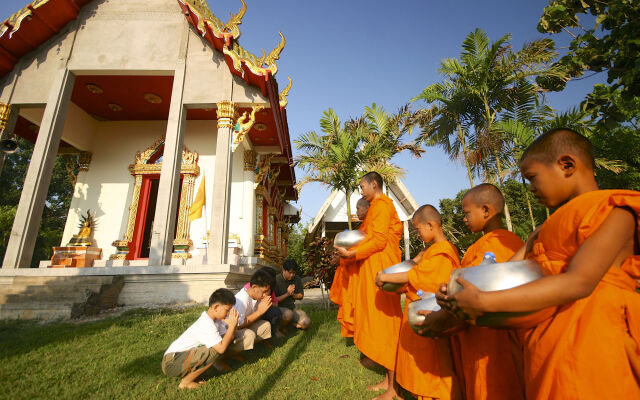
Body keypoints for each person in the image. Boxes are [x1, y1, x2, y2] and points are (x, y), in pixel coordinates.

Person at [445, 128, 640, 400]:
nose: (531, 188)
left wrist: (485, 303)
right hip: (544, 346)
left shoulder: (615, 211)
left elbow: (580, 281)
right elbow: (508, 273)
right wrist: (461, 291)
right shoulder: (545, 228)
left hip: (593, 344)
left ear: (567, 165)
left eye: (532, 178)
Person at [376, 205, 463, 400]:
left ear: (431, 225)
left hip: (432, 317)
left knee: (434, 369)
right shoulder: (432, 251)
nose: (417, 233)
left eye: (418, 229)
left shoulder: (443, 252)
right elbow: (415, 271)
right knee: (420, 365)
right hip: (419, 314)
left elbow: (418, 276)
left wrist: (384, 276)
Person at [448, 183, 524, 400]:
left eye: (466, 213)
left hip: (494, 332)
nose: (464, 219)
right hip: (478, 328)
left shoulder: (503, 244)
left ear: (486, 211)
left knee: (494, 384)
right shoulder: (483, 245)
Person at [335, 171, 403, 400]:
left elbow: (380, 240)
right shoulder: (375, 207)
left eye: (363, 186)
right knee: (377, 324)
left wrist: (352, 254)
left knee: (385, 327)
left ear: (374, 184)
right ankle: (388, 380)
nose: (361, 190)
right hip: (372, 269)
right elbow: (367, 236)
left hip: (381, 271)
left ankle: (395, 389)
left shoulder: (383, 205)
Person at [161, 288, 239, 389]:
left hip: (180, 358)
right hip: (171, 364)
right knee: (214, 350)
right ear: (216, 307)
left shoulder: (217, 321)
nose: (228, 314)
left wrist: (233, 326)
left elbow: (228, 338)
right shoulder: (206, 323)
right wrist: (232, 327)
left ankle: (193, 376)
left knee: (225, 341)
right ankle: (185, 383)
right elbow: (221, 348)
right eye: (227, 310)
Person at [330, 197, 370, 338]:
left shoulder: (369, 228)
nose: (356, 211)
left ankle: (362, 334)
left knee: (358, 305)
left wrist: (344, 257)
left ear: (366, 208)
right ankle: (357, 333)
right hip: (350, 270)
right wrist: (341, 258)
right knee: (351, 304)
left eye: (358, 208)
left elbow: (363, 250)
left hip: (361, 273)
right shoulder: (363, 228)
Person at [229, 268, 274, 365]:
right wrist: (259, 312)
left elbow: (252, 318)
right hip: (229, 331)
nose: (267, 294)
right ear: (254, 287)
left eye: (268, 290)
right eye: (265, 291)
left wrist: (261, 311)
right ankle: (224, 357)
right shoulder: (242, 300)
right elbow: (236, 326)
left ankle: (238, 351)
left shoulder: (256, 297)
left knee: (265, 326)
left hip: (242, 326)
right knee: (249, 335)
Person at [243, 266, 285, 337]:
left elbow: (275, 303)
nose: (267, 293)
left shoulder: (269, 288)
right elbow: (238, 324)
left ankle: (272, 332)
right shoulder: (246, 295)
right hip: (252, 314)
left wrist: (266, 303)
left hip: (261, 311)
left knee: (276, 312)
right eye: (265, 291)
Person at [274, 259, 311, 330]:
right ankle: (279, 328)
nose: (292, 275)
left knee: (306, 322)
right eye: (290, 272)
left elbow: (301, 296)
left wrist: (293, 294)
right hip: (278, 309)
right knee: (288, 314)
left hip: (292, 308)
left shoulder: (296, 279)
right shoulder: (276, 280)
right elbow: (273, 300)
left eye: (294, 273)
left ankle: (290, 324)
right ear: (283, 270)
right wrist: (287, 294)